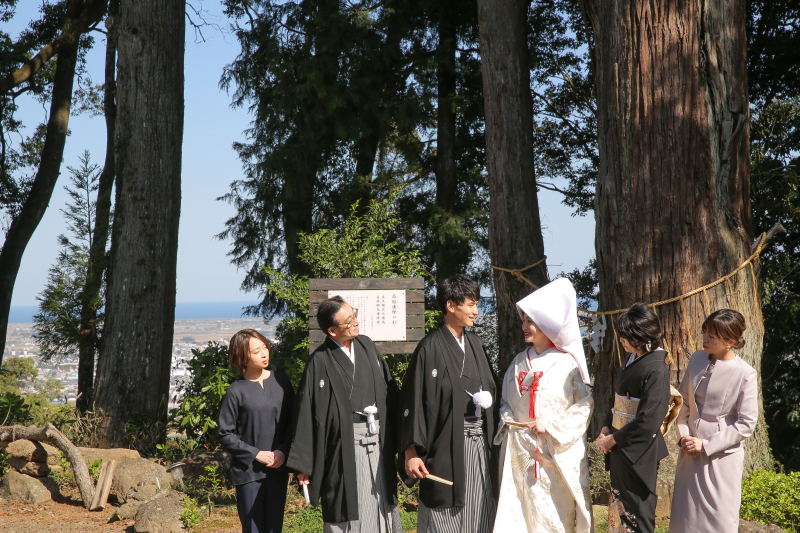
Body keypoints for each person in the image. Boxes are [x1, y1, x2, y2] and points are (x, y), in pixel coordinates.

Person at [286, 296, 402, 533]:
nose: (356, 322)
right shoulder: (319, 361)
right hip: (343, 446)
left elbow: (390, 392)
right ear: (332, 331)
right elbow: (306, 413)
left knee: (382, 497)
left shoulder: (367, 345)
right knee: (346, 502)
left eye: (354, 316)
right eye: (349, 321)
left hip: (378, 440)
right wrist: (303, 464)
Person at [493, 278, 593, 533]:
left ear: (546, 324)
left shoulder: (567, 364)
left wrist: (548, 426)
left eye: (530, 321)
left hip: (553, 456)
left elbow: (584, 406)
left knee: (552, 519)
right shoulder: (518, 362)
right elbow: (505, 402)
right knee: (519, 516)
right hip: (520, 454)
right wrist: (509, 420)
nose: (524, 326)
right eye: (524, 320)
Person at [398, 274, 497, 533]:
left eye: (477, 305)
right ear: (451, 305)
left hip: (481, 445)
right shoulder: (429, 348)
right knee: (445, 513)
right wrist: (411, 452)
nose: (476, 311)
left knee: (482, 507)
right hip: (444, 446)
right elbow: (413, 402)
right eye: (471, 305)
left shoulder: (475, 344)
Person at [669, 309, 758, 533]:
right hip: (689, 452)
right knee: (684, 519)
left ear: (730, 342)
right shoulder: (697, 358)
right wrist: (684, 437)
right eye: (705, 332)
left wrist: (706, 445)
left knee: (719, 521)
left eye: (712, 335)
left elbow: (747, 423)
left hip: (721, 457)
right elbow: (684, 402)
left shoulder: (745, 373)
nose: (705, 338)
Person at [596, 303, 670, 533]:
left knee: (637, 514)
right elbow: (618, 400)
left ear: (641, 336)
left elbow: (649, 419)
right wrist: (606, 428)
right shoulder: (632, 359)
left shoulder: (657, 368)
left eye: (626, 336)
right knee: (620, 511)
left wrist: (613, 439)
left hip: (638, 451)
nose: (622, 340)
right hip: (619, 445)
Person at [218, 329, 295, 533]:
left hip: (277, 469)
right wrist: (256, 454)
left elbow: (293, 423)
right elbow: (225, 434)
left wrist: (282, 451)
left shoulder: (282, 382)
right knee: (253, 529)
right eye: (256, 351)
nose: (264, 354)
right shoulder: (236, 391)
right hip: (249, 472)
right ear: (242, 358)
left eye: (265, 347)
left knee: (274, 528)